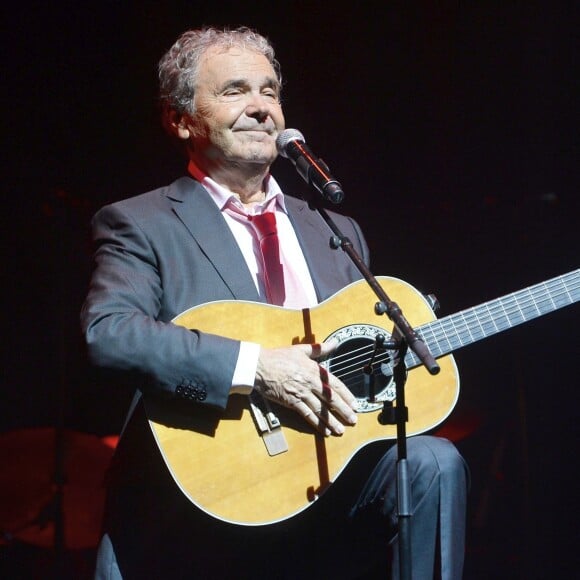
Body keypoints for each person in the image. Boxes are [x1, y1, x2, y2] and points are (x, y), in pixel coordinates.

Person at [81, 27, 468, 579]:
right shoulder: (141, 223)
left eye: (271, 91)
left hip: (324, 488)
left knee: (432, 461)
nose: (262, 108)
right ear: (181, 119)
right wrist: (256, 369)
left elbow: (355, 365)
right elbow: (109, 332)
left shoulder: (337, 232)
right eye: (236, 91)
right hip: (204, 498)